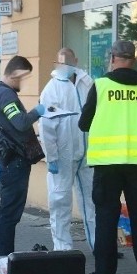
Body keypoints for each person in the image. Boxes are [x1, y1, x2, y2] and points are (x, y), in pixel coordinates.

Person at [79, 40, 137, 274]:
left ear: (113, 58)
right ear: (134, 59)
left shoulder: (101, 87)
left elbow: (83, 123)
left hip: (107, 164)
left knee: (106, 218)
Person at [0, 55, 46, 263]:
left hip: (9, 161)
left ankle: (3, 261)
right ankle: (3, 262)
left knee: (8, 214)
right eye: (22, 77)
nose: (23, 81)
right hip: (14, 162)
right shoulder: (5, 95)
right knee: (9, 215)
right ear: (13, 74)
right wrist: (38, 111)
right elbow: (20, 123)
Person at [39, 47, 98, 252]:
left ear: (76, 61)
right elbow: (46, 126)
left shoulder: (86, 83)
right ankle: (62, 247)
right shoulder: (51, 90)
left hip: (86, 153)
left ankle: (98, 245)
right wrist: (51, 157)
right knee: (60, 201)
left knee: (92, 201)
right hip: (63, 155)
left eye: (69, 62)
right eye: (61, 62)